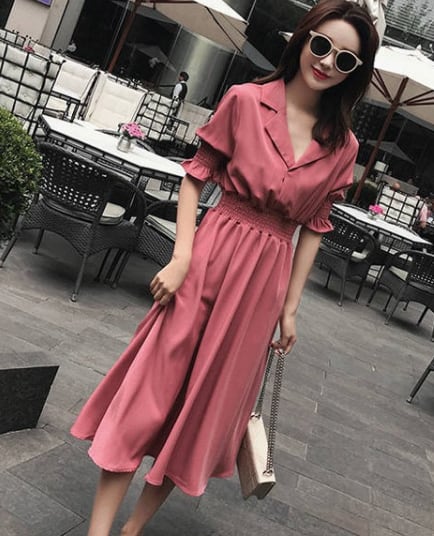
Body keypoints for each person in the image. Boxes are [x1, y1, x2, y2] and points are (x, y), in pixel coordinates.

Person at [70, 2, 378, 535]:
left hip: (262, 285)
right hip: (211, 255)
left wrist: (290, 309)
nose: (328, 62)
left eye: (345, 59)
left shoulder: (343, 146)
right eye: (322, 45)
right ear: (304, 39)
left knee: (201, 412)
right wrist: (181, 257)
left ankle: (132, 529)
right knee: (148, 395)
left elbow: (314, 227)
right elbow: (196, 176)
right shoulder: (245, 100)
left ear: (355, 73)